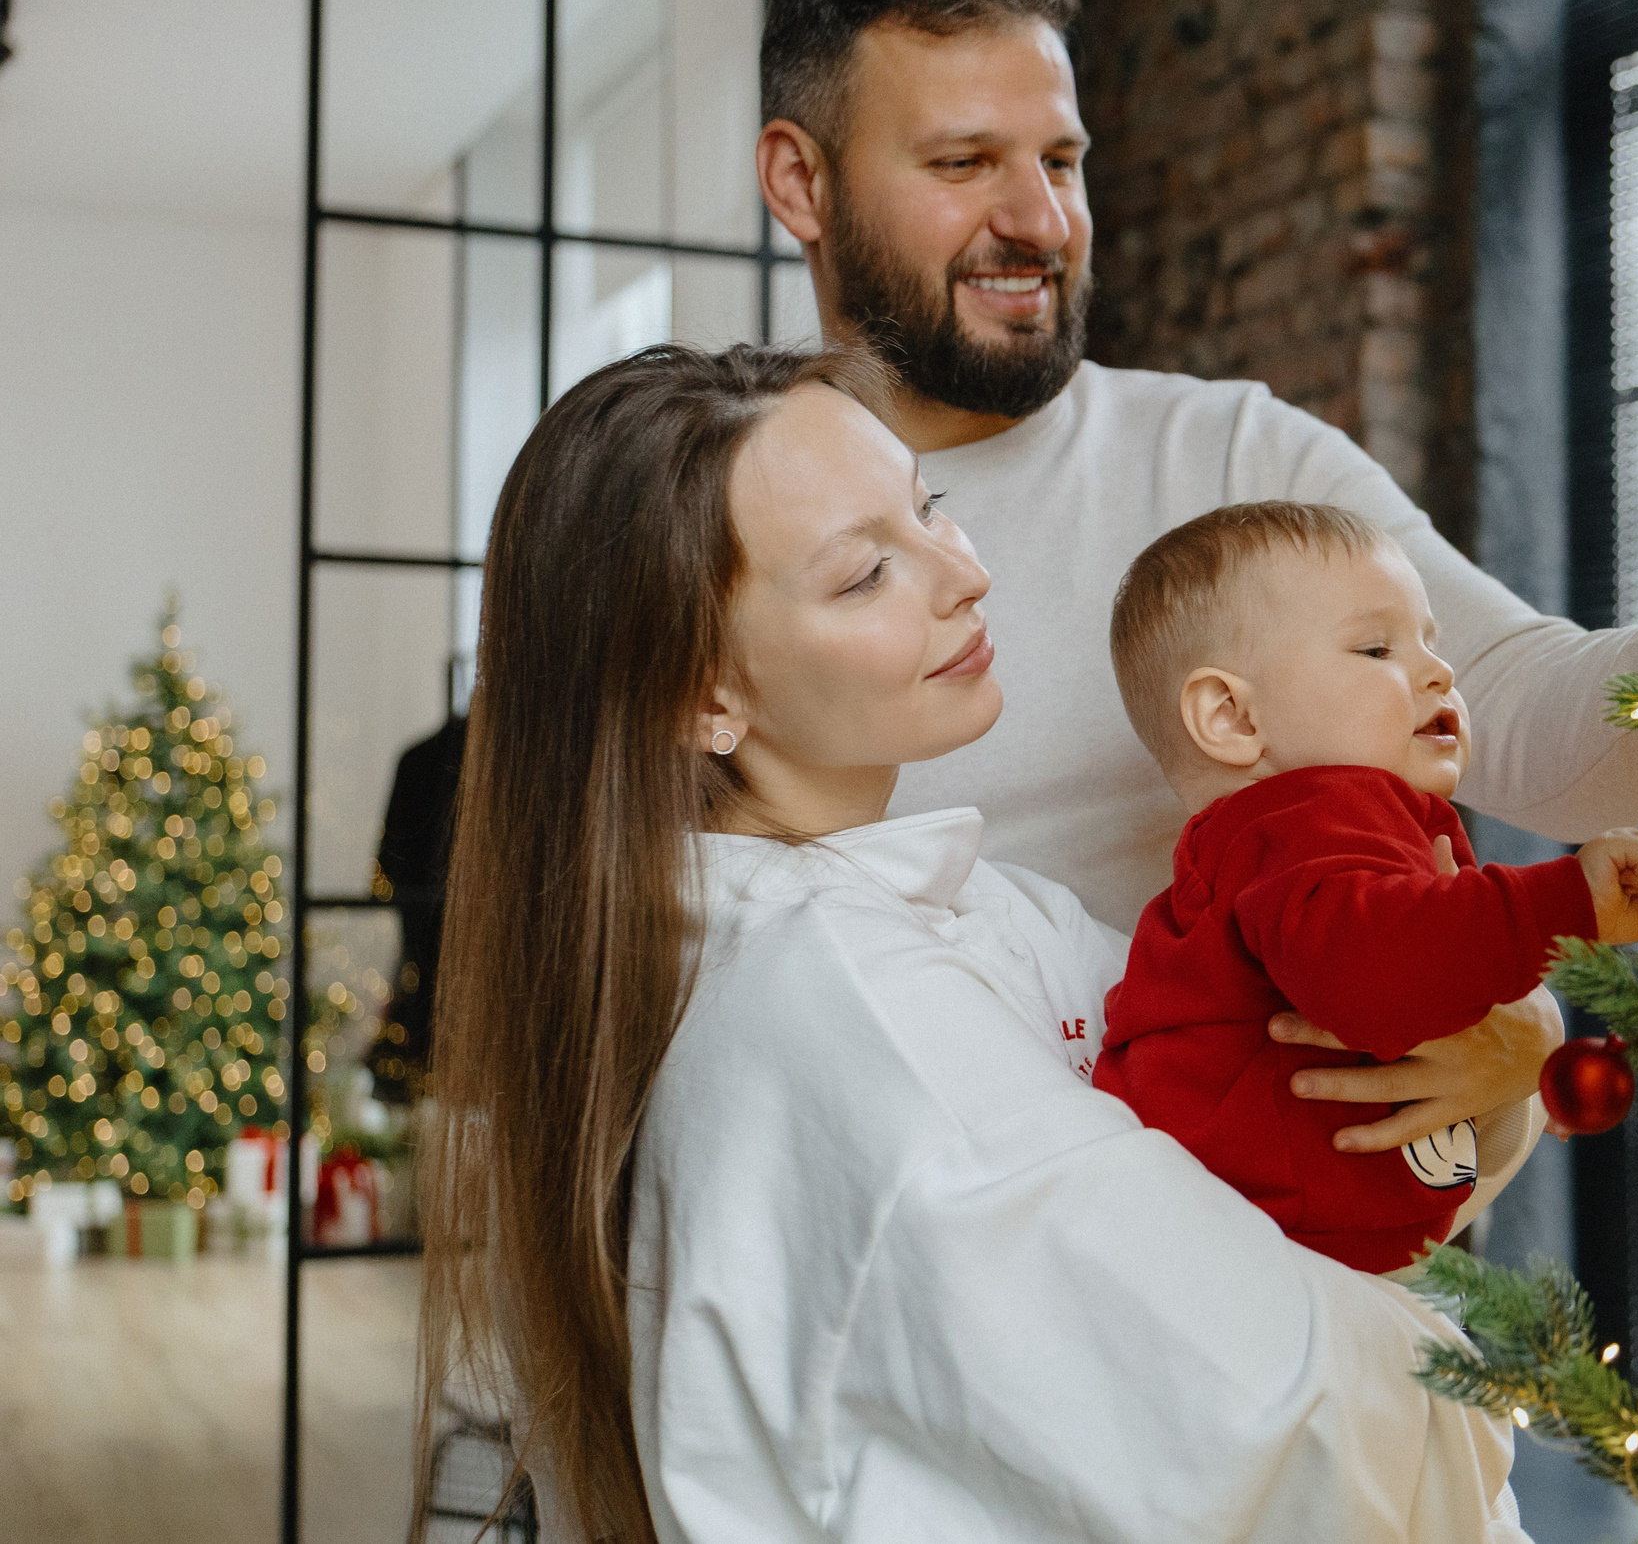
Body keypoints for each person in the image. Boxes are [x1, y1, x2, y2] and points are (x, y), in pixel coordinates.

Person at [417, 342, 1536, 1543]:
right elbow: (1268, 1411)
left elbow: (1287, 1097)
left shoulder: (979, 907)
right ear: (704, 696)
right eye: (865, 575)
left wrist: (1497, 1064)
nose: (964, 572)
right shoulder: (843, 1003)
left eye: (931, 507)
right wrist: (1464, 1364)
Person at [1092, 501, 1638, 1272]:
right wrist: (1565, 902)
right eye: (1377, 648)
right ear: (1231, 717)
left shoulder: (1336, 826)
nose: (1437, 671)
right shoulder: (1307, 817)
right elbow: (1378, 965)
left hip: (1292, 1250)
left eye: (1430, 642)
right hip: (1249, 1256)